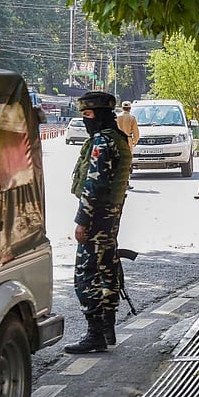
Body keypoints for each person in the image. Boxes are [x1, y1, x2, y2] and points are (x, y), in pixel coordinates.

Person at [64, 91, 133, 354]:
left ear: (100, 115)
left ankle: (95, 333)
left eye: (89, 115)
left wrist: (82, 220)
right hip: (111, 217)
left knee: (86, 275)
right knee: (107, 270)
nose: (85, 121)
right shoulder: (118, 139)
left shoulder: (103, 142)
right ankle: (107, 328)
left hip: (96, 218)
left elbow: (94, 185)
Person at [115, 100, 140, 190]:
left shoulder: (117, 117)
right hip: (128, 140)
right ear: (130, 108)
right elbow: (136, 133)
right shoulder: (132, 118)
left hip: (118, 140)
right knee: (127, 162)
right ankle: (126, 182)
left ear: (122, 108)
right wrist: (135, 141)